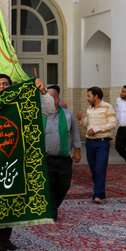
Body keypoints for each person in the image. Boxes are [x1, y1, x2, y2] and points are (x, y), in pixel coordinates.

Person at [0, 74, 54, 251]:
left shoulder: (23, 103)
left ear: (11, 86)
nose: (1, 87)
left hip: (17, 160)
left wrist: (42, 91)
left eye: (5, 84)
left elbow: (48, 110)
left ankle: (6, 239)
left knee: (14, 201)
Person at [45, 87, 81, 220]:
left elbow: (74, 134)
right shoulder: (40, 116)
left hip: (64, 159)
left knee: (64, 186)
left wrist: (77, 151)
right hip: (46, 159)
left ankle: (53, 207)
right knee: (49, 187)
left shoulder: (67, 115)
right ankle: (52, 213)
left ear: (55, 100)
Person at [77, 86, 118, 204]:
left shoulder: (107, 107)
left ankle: (97, 194)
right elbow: (87, 125)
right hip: (89, 143)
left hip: (102, 143)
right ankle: (101, 192)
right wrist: (80, 120)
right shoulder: (89, 109)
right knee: (94, 170)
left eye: (89, 96)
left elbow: (113, 124)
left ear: (96, 96)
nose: (87, 98)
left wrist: (97, 129)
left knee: (100, 168)